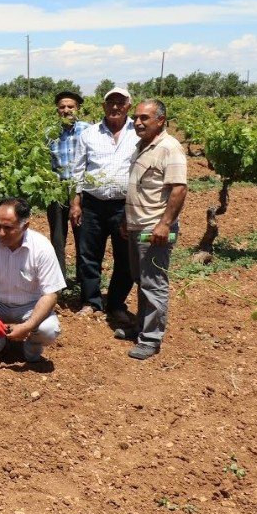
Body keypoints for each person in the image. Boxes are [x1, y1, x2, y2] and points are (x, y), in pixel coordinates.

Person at [0, 197, 65, 366]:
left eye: (8, 228)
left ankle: (31, 350)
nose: (1, 233)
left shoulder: (42, 248)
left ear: (26, 226)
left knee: (48, 330)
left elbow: (51, 294)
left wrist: (28, 326)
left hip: (29, 307)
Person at [120, 99, 187, 360]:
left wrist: (165, 223)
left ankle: (151, 339)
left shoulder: (169, 148)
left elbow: (179, 188)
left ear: (160, 120)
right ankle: (141, 328)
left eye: (144, 118)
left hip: (154, 228)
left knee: (154, 283)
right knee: (141, 280)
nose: (137, 122)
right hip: (138, 225)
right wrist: (128, 219)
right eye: (136, 117)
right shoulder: (143, 146)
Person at [70, 87, 138, 321]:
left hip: (125, 206)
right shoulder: (89, 133)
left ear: (128, 105)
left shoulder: (138, 132)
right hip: (92, 205)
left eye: (120, 102)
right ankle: (91, 302)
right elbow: (78, 169)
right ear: (103, 106)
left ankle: (117, 303)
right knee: (88, 255)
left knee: (125, 257)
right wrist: (75, 203)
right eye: (111, 102)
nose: (115, 107)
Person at [47, 91, 90, 280]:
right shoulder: (49, 133)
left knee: (83, 235)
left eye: (70, 106)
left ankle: (82, 278)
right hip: (56, 190)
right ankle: (59, 280)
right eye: (62, 107)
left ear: (78, 108)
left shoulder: (88, 131)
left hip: (82, 190)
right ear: (57, 110)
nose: (66, 110)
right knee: (57, 238)